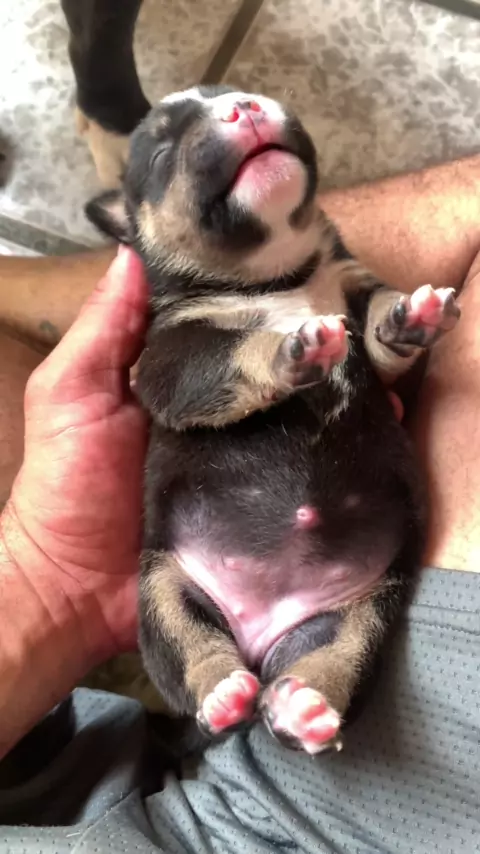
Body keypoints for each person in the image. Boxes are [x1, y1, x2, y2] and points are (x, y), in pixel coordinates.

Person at [0, 156, 479, 852]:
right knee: (328, 635)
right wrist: (275, 362)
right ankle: (282, 683)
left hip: (121, 773)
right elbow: (185, 383)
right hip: (294, 810)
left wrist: (45, 581)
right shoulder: (186, 332)